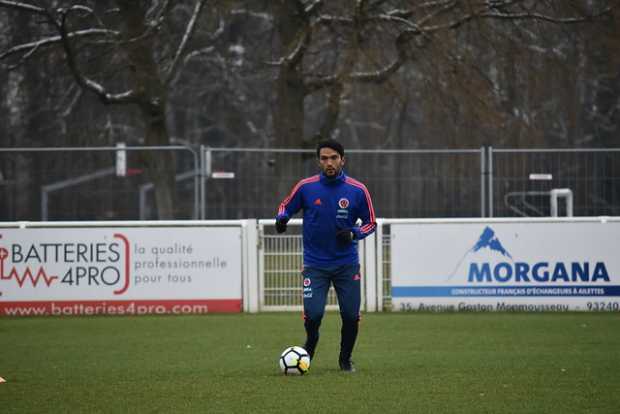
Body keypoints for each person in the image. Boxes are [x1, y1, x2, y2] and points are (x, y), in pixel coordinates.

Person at [275, 139, 376, 372]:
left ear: (343, 159)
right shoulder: (306, 187)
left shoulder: (357, 190)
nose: (329, 163)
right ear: (318, 161)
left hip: (346, 265)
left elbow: (371, 223)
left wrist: (354, 234)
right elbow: (285, 206)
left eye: (333, 158)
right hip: (315, 265)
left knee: (351, 315)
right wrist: (281, 218)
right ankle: (310, 344)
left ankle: (345, 359)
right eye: (324, 158)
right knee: (314, 314)